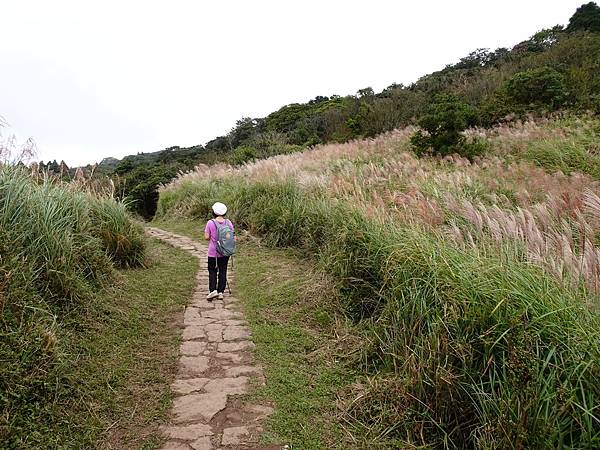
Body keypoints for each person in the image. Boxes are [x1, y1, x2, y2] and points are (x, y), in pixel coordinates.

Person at [204, 202, 234, 300]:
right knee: (223, 270)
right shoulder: (228, 222)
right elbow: (233, 237)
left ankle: (213, 291)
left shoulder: (210, 223)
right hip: (225, 252)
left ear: (213, 212)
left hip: (213, 252)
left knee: (212, 271)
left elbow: (206, 237)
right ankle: (221, 292)